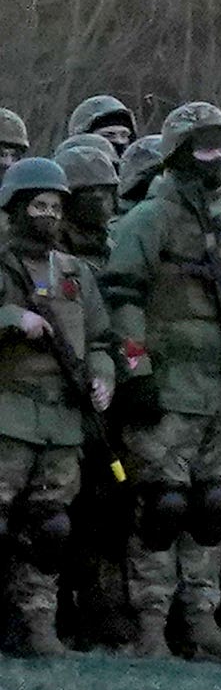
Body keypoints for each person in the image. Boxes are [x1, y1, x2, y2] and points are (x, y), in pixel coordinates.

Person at [108, 118, 221, 659]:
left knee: (212, 505)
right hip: (168, 387)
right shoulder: (150, 218)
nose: (216, 156)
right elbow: (123, 296)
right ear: (179, 154)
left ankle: (201, 618)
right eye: (204, 148)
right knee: (163, 506)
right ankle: (151, 624)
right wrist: (135, 371)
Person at [0, 158, 125, 657]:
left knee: (50, 528)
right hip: (8, 416)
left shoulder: (77, 272)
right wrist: (10, 316)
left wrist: (104, 375)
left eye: (55, 207)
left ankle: (40, 627)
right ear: (15, 208)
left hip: (62, 422)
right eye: (38, 205)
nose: (47, 215)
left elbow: (101, 336)